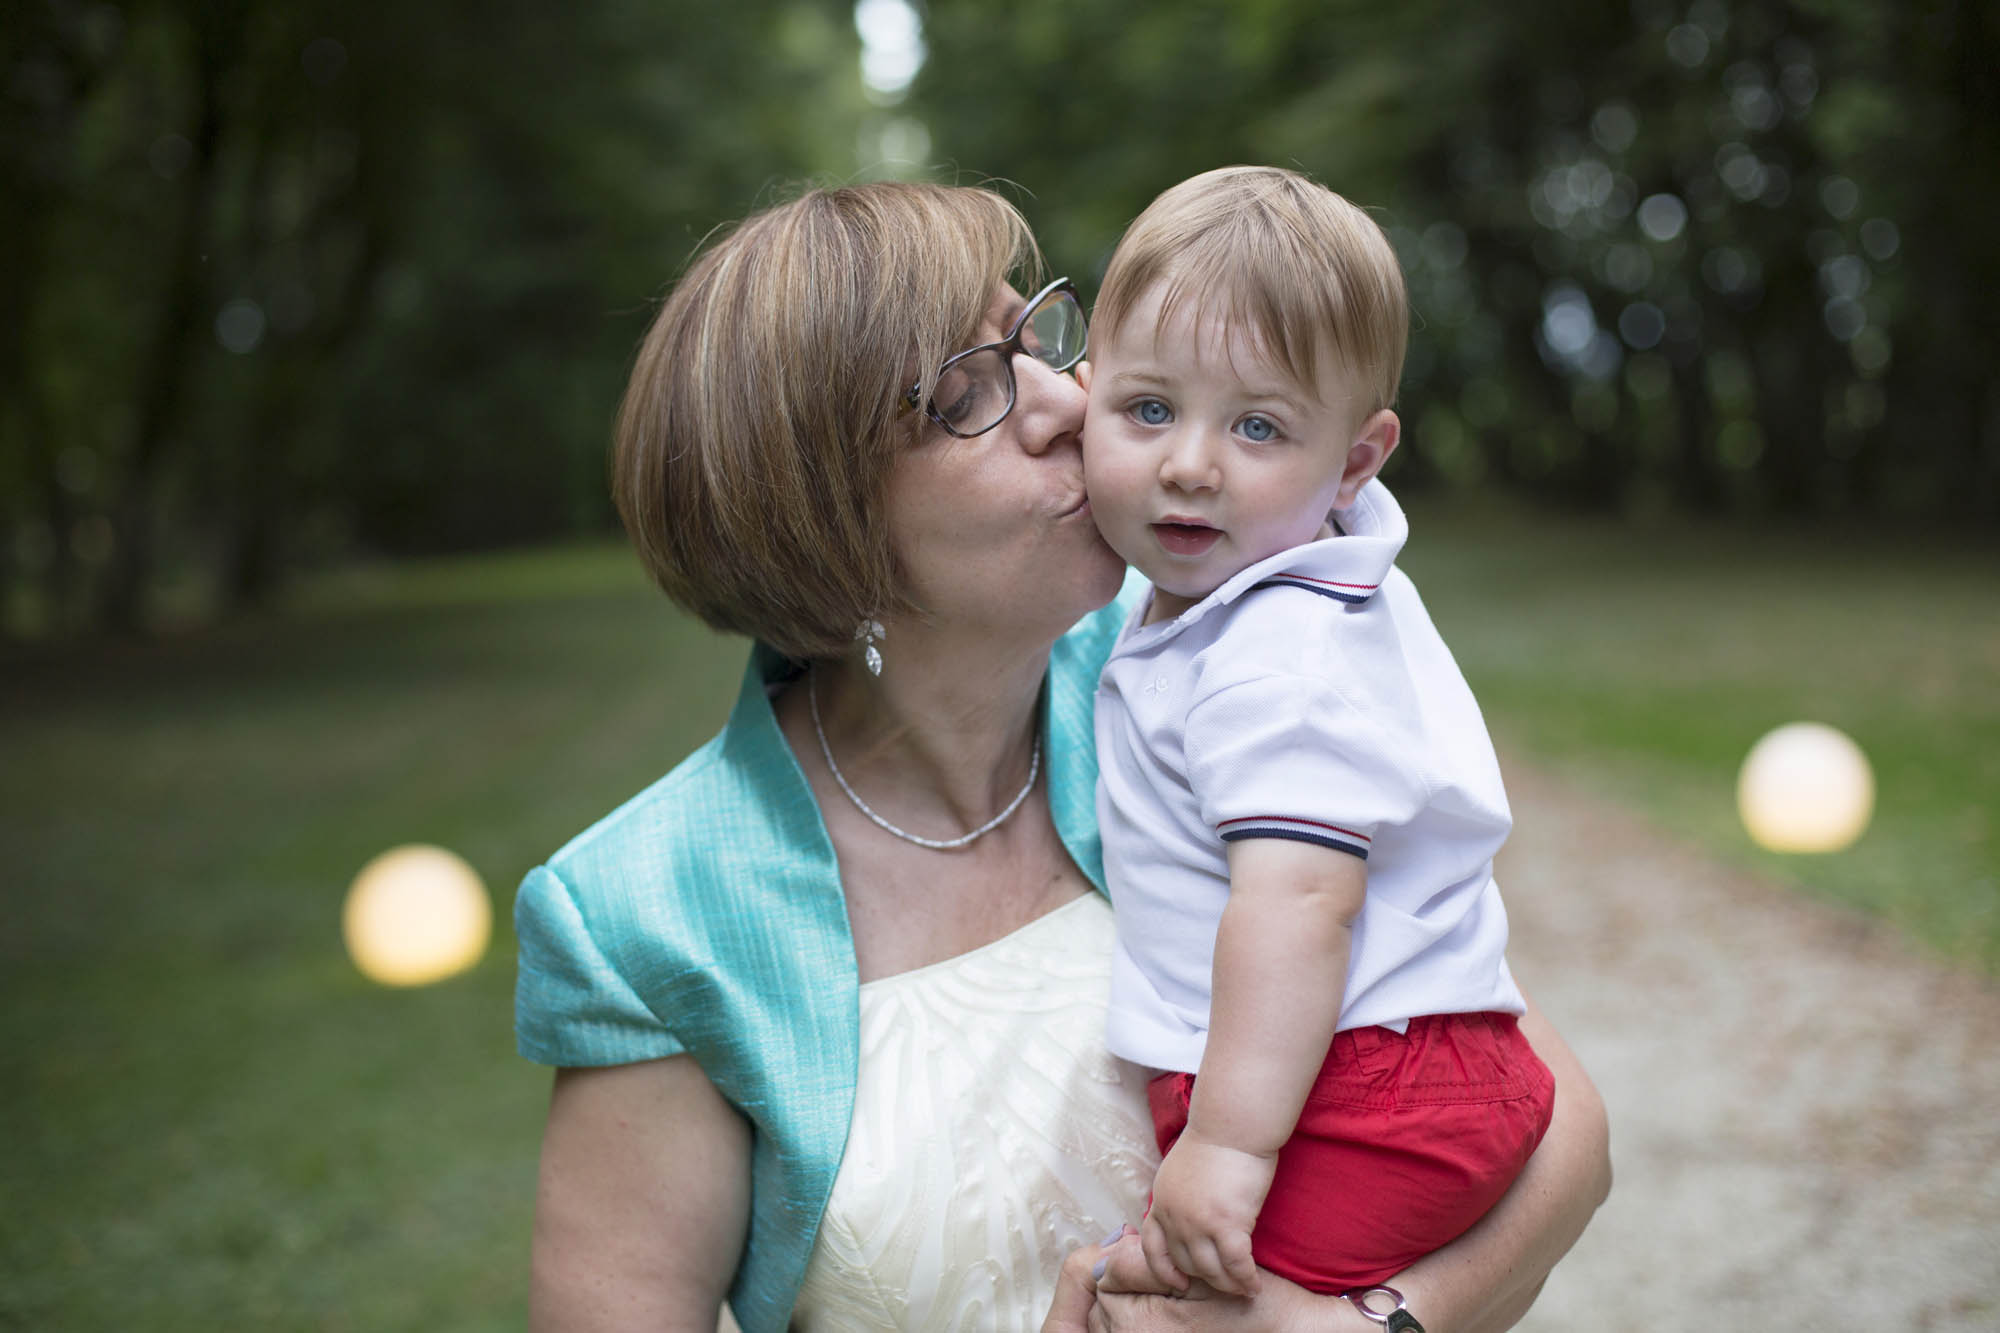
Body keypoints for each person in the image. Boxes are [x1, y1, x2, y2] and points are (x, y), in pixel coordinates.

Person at [514, 180, 1611, 1333]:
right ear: (815, 514)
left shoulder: (1213, 674)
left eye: (1032, 338)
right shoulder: (650, 916)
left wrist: (1367, 1324)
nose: (1063, 398)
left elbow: (1554, 1121)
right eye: (968, 393)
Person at [1080, 165, 1557, 1303]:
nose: (1189, 462)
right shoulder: (1251, 600)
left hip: (1356, 1092)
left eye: (1256, 426)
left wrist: (1229, 1147)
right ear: (1083, 396)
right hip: (1365, 1070)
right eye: (1149, 409)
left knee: (1196, 1306)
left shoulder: (1275, 648)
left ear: (1354, 459)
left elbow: (1300, 900)